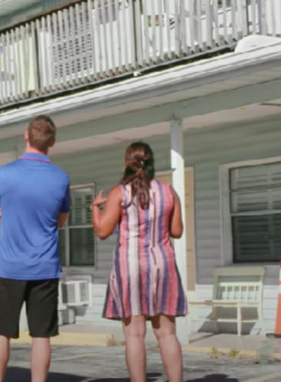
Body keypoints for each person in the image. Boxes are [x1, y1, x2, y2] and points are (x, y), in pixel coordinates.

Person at [91, 141, 187, 382]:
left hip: (130, 265)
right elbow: (176, 231)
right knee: (166, 333)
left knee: (134, 334)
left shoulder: (119, 193)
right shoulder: (169, 192)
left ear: (128, 163)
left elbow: (103, 231)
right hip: (162, 264)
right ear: (152, 163)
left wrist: (95, 208)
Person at [0, 114, 71, 382]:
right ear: (54, 142)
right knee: (41, 335)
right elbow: (60, 221)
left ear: (26, 136)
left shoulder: (5, 173)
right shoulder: (61, 178)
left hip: (9, 266)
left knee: (1, 332)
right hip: (44, 267)